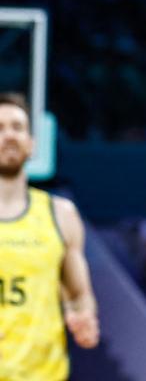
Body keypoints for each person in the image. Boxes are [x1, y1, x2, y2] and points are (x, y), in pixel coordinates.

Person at [0, 93, 99, 380]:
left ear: (32, 145)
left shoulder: (61, 214)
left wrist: (84, 317)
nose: (9, 135)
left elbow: (78, 294)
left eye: (18, 128)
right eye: (0, 128)